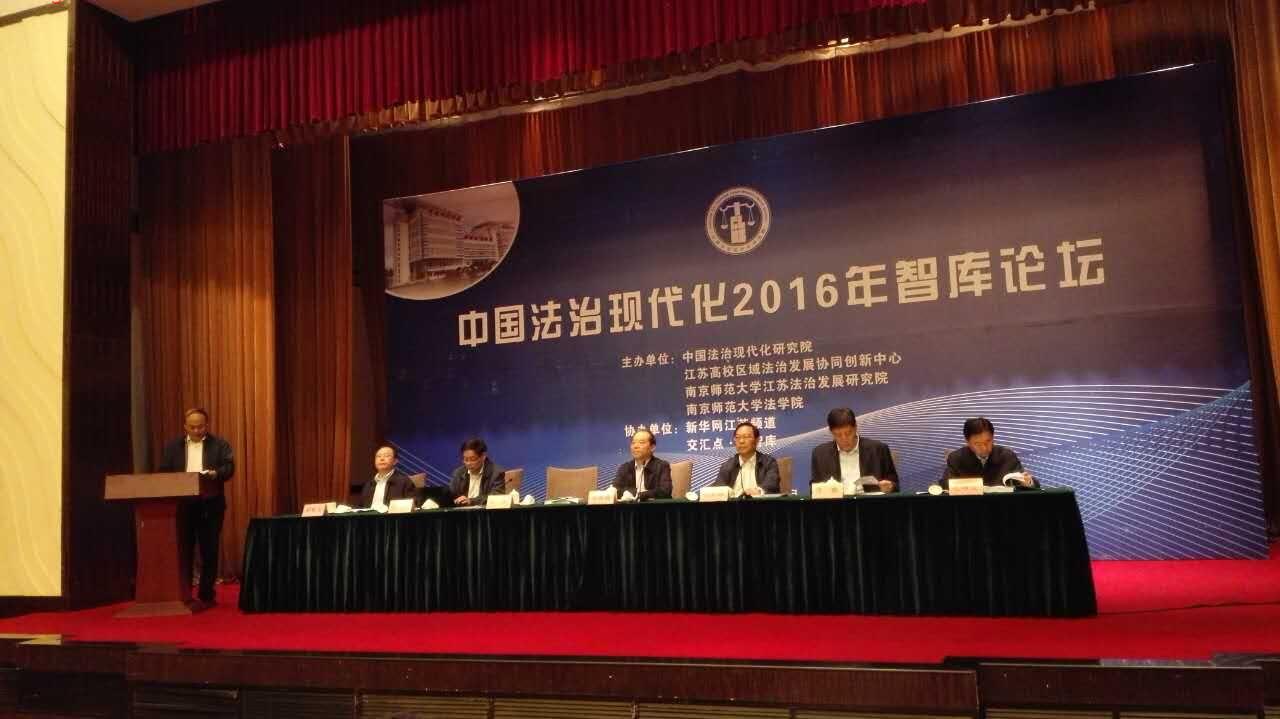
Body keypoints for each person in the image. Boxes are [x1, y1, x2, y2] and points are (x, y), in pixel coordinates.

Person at [158, 407, 234, 606]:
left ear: (206, 425)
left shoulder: (219, 445)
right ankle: (183, 593)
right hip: (181, 506)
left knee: (209, 549)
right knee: (183, 549)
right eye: (192, 427)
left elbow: (229, 467)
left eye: (200, 426)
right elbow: (163, 471)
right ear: (185, 427)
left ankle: (206, 594)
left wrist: (215, 474)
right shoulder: (173, 447)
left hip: (210, 503)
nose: (197, 430)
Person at [809, 407, 898, 492]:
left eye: (848, 433)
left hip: (870, 501)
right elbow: (814, 489)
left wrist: (890, 486)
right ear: (831, 432)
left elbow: (895, 485)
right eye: (838, 435)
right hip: (836, 502)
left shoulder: (878, 450)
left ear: (855, 428)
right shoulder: (820, 454)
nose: (844, 439)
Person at [942, 417, 1038, 489]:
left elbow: (1033, 484)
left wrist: (1028, 482)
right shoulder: (956, 458)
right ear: (967, 442)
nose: (984, 448)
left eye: (988, 441)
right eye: (978, 444)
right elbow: (945, 484)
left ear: (993, 437)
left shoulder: (1007, 456)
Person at [714, 422, 781, 496]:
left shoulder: (768, 462)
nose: (741, 441)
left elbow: (772, 484)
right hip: (734, 503)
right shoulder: (727, 465)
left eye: (746, 437)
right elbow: (718, 488)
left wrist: (759, 491)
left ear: (757, 440)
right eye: (737, 437)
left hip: (760, 502)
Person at [612, 428, 673, 501]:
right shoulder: (625, 467)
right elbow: (615, 489)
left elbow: (665, 490)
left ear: (652, 447)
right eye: (633, 443)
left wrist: (639, 495)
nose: (635, 446)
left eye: (641, 442)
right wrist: (635, 493)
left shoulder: (662, 466)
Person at [449, 438, 506, 506]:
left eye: (473, 459)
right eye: (466, 459)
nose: (468, 463)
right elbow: (451, 495)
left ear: (483, 456)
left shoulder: (496, 473)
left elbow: (496, 496)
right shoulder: (458, 473)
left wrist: (472, 501)